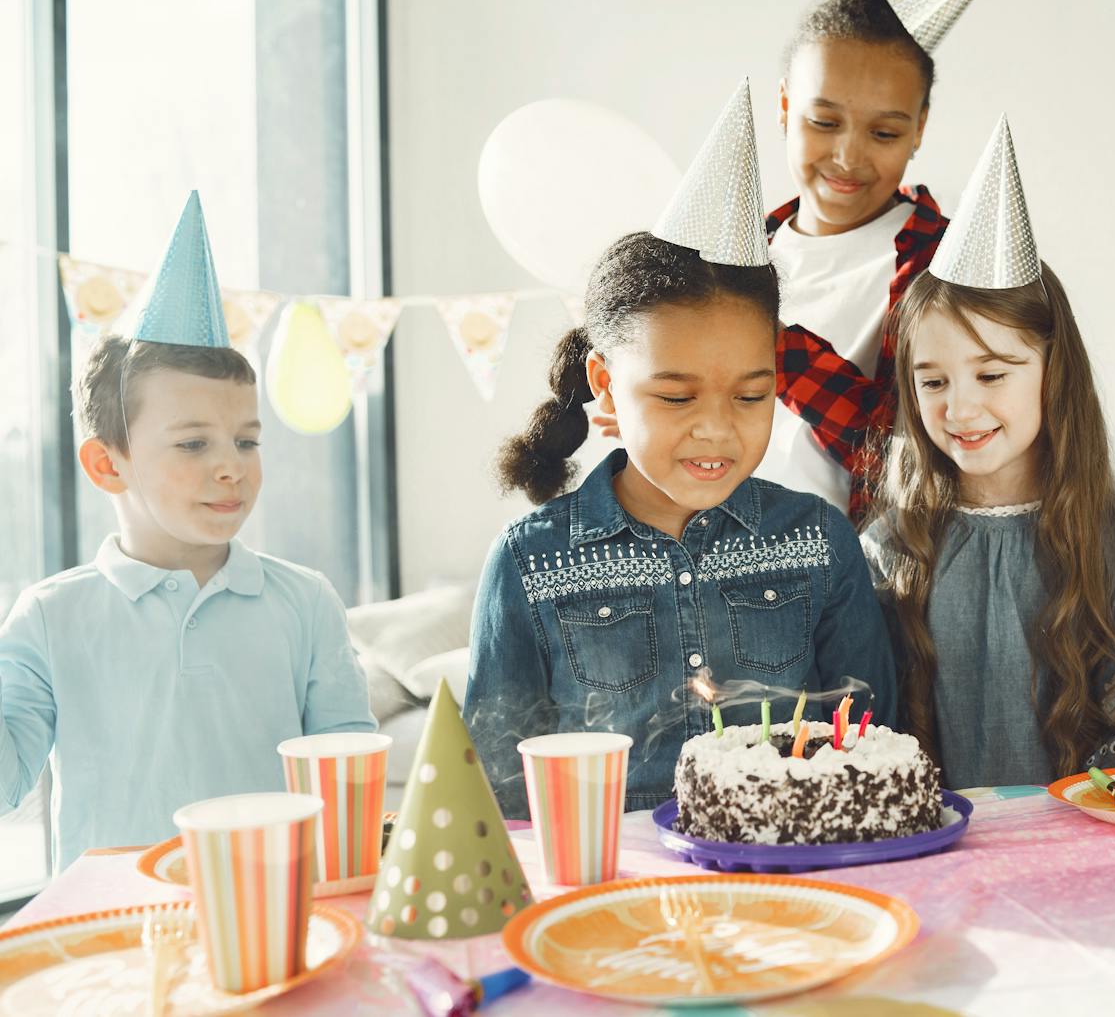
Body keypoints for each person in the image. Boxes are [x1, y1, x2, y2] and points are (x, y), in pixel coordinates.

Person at [465, 84, 896, 816]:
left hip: (794, 893)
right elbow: (501, 796)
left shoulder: (820, 545)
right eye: (676, 396)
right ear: (606, 381)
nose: (717, 430)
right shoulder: (530, 565)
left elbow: (876, 750)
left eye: (751, 396)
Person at [0, 192, 375, 867]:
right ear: (106, 463)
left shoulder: (306, 601)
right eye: (194, 444)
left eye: (246, 441)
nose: (231, 467)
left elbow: (346, 784)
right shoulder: (50, 617)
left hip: (276, 917)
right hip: (112, 935)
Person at [864, 118, 1115, 789]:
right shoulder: (891, 551)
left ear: (1052, 371)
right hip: (933, 863)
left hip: (1081, 862)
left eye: (993, 373)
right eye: (934, 380)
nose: (960, 408)